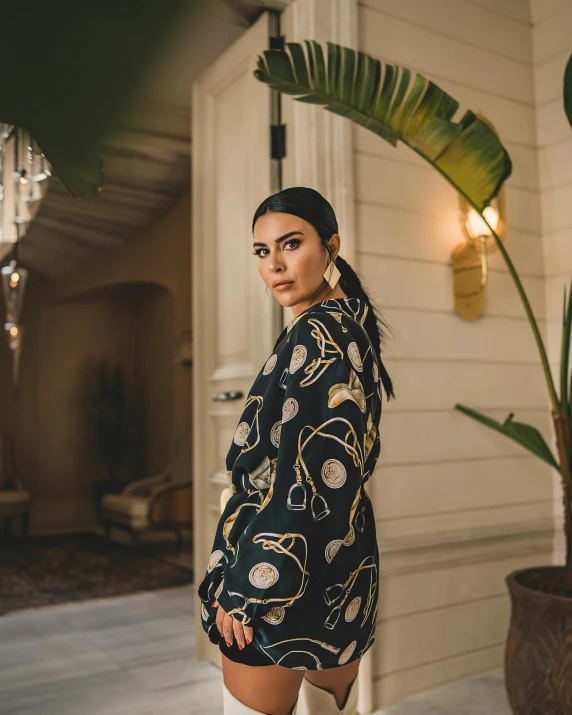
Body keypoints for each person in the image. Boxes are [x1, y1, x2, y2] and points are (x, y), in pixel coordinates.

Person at [197, 187, 395, 715]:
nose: (275, 265)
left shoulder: (317, 336)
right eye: (262, 251)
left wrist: (246, 590)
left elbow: (306, 482)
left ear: (331, 247)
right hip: (343, 564)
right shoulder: (350, 329)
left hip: (281, 573)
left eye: (291, 244)